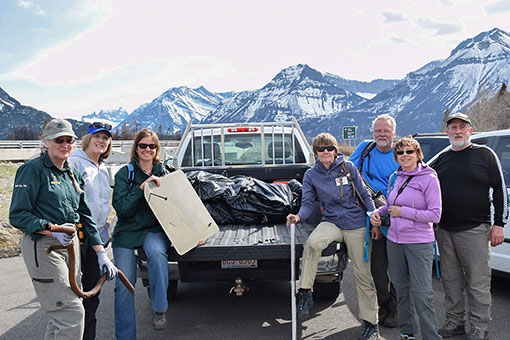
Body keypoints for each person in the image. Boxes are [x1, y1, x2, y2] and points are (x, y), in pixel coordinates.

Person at [9, 118, 117, 339]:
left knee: (59, 315)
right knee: (71, 312)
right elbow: (18, 215)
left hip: (71, 247)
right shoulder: (32, 170)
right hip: (44, 247)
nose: (65, 145)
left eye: (69, 140)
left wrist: (101, 253)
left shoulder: (70, 172)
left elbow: (85, 214)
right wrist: (50, 229)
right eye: (59, 140)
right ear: (46, 142)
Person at [287, 132, 380, 340]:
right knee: (312, 244)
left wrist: (373, 214)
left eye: (329, 148)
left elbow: (364, 194)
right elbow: (308, 203)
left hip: (356, 224)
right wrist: (298, 217)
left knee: (363, 275)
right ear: (316, 152)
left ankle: (371, 323)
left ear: (336, 150)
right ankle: (304, 292)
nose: (326, 152)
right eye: (321, 149)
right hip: (332, 222)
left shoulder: (348, 168)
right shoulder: (311, 175)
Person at [430, 113, 508, 340]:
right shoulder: (443, 158)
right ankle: (454, 322)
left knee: (478, 282)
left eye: (462, 127)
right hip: (444, 231)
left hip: (474, 230)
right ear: (447, 132)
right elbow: (422, 181)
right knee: (451, 282)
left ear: (470, 131)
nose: (457, 131)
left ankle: (479, 326)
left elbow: (500, 191)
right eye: (453, 127)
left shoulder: (484, 154)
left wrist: (499, 224)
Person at [370, 136, 442, 340]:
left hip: (419, 242)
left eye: (409, 151)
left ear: (418, 155)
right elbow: (391, 204)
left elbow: (435, 215)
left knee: (422, 294)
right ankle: (407, 333)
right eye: (400, 152)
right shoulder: (395, 177)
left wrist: (404, 212)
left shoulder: (429, 178)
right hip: (394, 241)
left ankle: (431, 336)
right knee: (401, 291)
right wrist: (379, 213)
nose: (405, 155)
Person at [112, 128, 171, 339]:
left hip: (153, 230)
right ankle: (125, 336)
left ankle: (159, 309)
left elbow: (180, 206)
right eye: (143, 145)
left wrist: (191, 234)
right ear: (136, 148)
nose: (147, 149)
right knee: (124, 285)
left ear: (157, 149)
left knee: (156, 255)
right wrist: (141, 188)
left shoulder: (167, 173)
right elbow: (122, 209)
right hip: (127, 232)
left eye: (152, 146)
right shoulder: (124, 174)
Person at [349, 114, 399, 327]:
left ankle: (395, 310)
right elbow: (347, 171)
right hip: (372, 218)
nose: (382, 134)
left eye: (386, 131)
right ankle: (383, 304)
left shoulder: (402, 152)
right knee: (377, 269)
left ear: (394, 133)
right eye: (378, 131)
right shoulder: (365, 149)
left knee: (399, 269)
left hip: (398, 218)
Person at [70, 121, 114, 340]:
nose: (102, 141)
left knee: (92, 295)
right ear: (87, 139)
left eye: (106, 138)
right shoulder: (75, 163)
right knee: (76, 294)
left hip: (98, 235)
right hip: (79, 238)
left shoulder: (103, 167)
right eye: (97, 137)